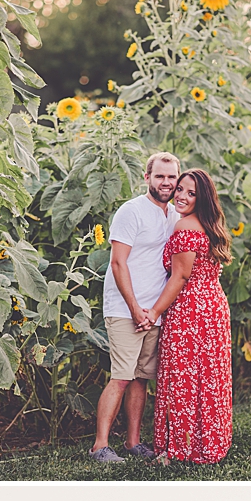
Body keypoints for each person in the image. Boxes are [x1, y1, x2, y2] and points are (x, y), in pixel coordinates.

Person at [91, 152, 179, 464]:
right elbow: (118, 263)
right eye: (160, 176)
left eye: (171, 177)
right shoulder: (131, 212)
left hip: (153, 311)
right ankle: (100, 445)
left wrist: (152, 311)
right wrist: (134, 308)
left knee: (141, 377)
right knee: (121, 376)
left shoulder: (173, 215)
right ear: (147, 178)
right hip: (126, 309)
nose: (166, 182)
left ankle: (132, 442)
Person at [146, 167, 235, 466]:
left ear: (203, 198)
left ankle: (184, 447)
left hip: (190, 309)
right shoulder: (209, 226)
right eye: (180, 189)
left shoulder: (184, 227)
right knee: (207, 377)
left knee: (184, 375)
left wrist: (154, 311)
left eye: (191, 192)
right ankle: (209, 442)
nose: (181, 196)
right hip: (213, 306)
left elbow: (180, 276)